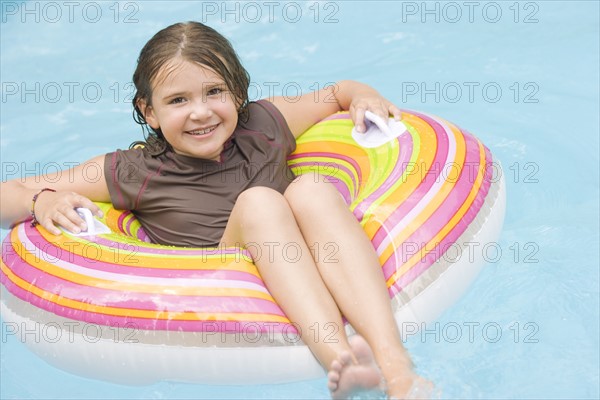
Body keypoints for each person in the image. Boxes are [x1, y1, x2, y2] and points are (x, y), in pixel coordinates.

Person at [0, 21, 432, 399]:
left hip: (305, 256)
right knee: (261, 202)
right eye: (177, 101)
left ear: (238, 92)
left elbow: (340, 91)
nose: (201, 112)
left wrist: (365, 98)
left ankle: (396, 366)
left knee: (313, 189)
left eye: (214, 92)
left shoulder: (267, 123)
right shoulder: (133, 172)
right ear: (147, 111)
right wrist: (41, 200)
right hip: (225, 276)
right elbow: (9, 192)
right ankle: (340, 359)